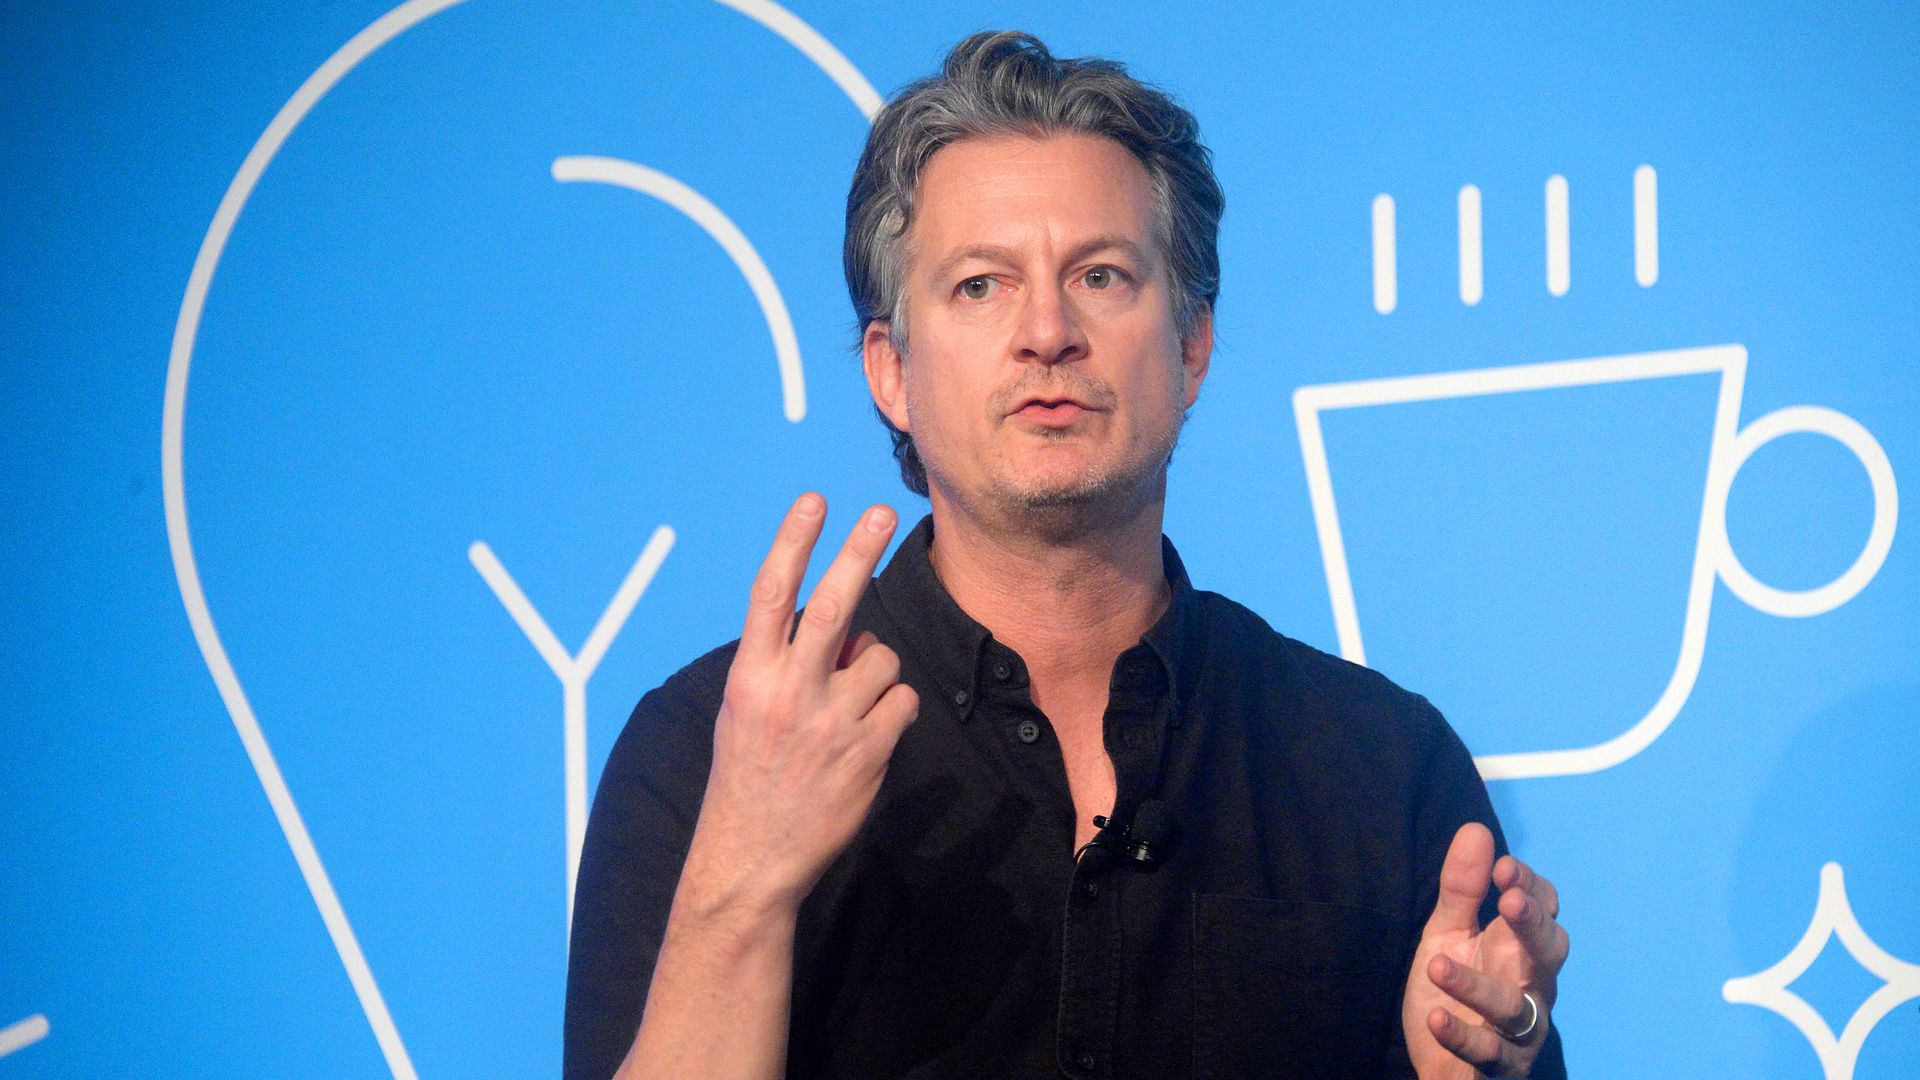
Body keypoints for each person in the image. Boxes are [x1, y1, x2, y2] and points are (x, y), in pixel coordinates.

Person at [564, 31, 1568, 1080]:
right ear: (891, 371)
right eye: (980, 286)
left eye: (1100, 275)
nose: (1047, 331)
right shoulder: (715, 749)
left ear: (1192, 347)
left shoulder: (1382, 766)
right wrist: (740, 893)